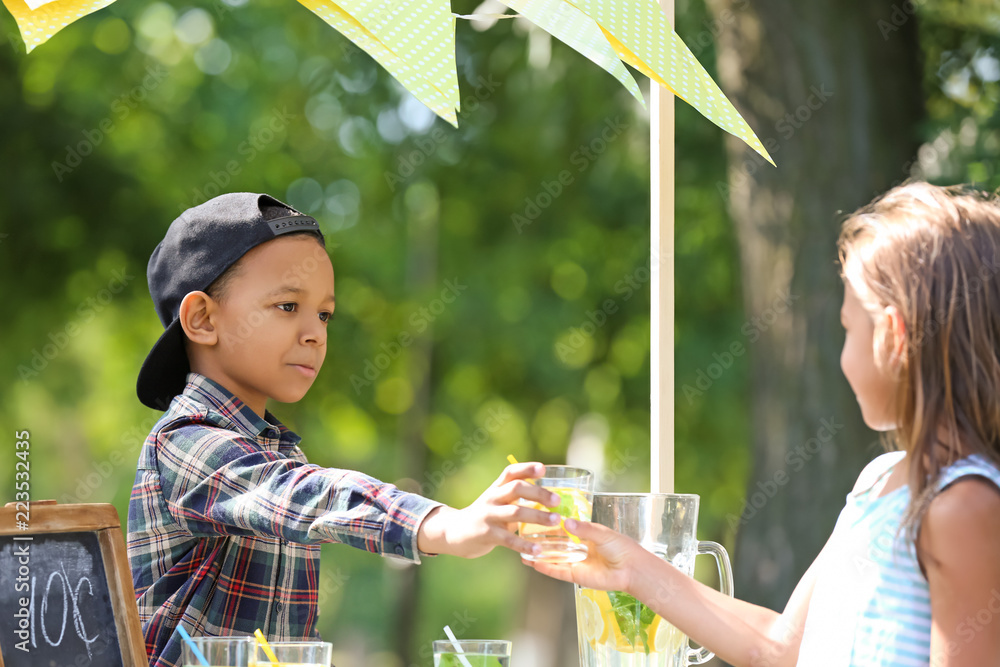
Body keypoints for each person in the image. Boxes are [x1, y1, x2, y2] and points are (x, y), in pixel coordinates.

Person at [526, 181, 1000, 665]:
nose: (841, 357)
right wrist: (631, 570)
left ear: (893, 338)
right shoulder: (878, 482)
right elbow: (780, 645)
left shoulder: (963, 507)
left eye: (847, 329)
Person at [127, 193, 562, 667]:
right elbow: (313, 495)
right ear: (203, 319)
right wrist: (443, 525)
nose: (315, 332)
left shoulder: (274, 450)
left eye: (324, 314)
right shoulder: (186, 442)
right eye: (289, 306)